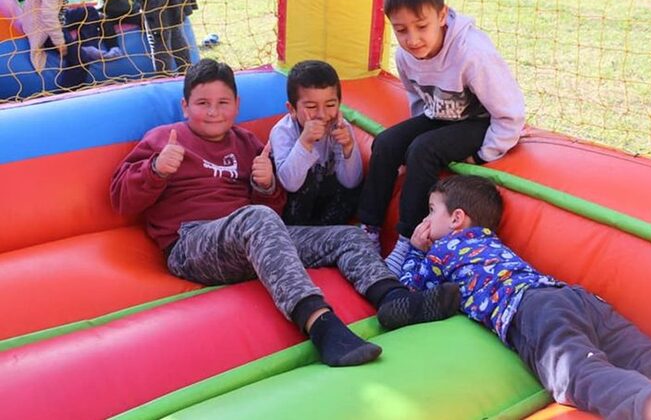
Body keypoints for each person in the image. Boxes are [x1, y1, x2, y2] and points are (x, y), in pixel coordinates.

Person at [110, 59, 461, 368]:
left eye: (222, 103)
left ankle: (394, 299)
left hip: (245, 242)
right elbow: (122, 201)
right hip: (192, 243)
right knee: (257, 219)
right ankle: (322, 327)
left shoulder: (247, 143)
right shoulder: (163, 139)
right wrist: (156, 170)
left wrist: (265, 188)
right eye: (203, 103)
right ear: (185, 106)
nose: (214, 111)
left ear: (237, 105)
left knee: (347, 235)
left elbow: (274, 209)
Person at [397, 174, 651, 420]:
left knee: (577, 374)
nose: (426, 221)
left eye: (430, 212)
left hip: (532, 308)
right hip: (575, 298)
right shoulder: (491, 242)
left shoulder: (442, 250)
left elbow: (409, 290)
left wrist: (415, 249)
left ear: (457, 218)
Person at [357, 0, 525, 274]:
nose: (413, 39)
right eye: (401, 30)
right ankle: (368, 230)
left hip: (479, 121)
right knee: (386, 142)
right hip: (440, 116)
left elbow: (510, 112)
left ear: (442, 15)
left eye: (422, 26)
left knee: (423, 150)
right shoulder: (405, 56)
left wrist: (485, 153)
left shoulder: (472, 52)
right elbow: (418, 100)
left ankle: (407, 241)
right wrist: (408, 138)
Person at [269, 60, 363, 226]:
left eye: (330, 105)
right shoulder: (283, 131)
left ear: (339, 104)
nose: (322, 114)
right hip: (294, 213)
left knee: (357, 190)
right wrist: (305, 142)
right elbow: (290, 184)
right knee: (307, 183)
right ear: (291, 109)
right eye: (311, 106)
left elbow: (351, 182)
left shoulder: (341, 128)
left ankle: (331, 232)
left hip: (329, 208)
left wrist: (348, 148)